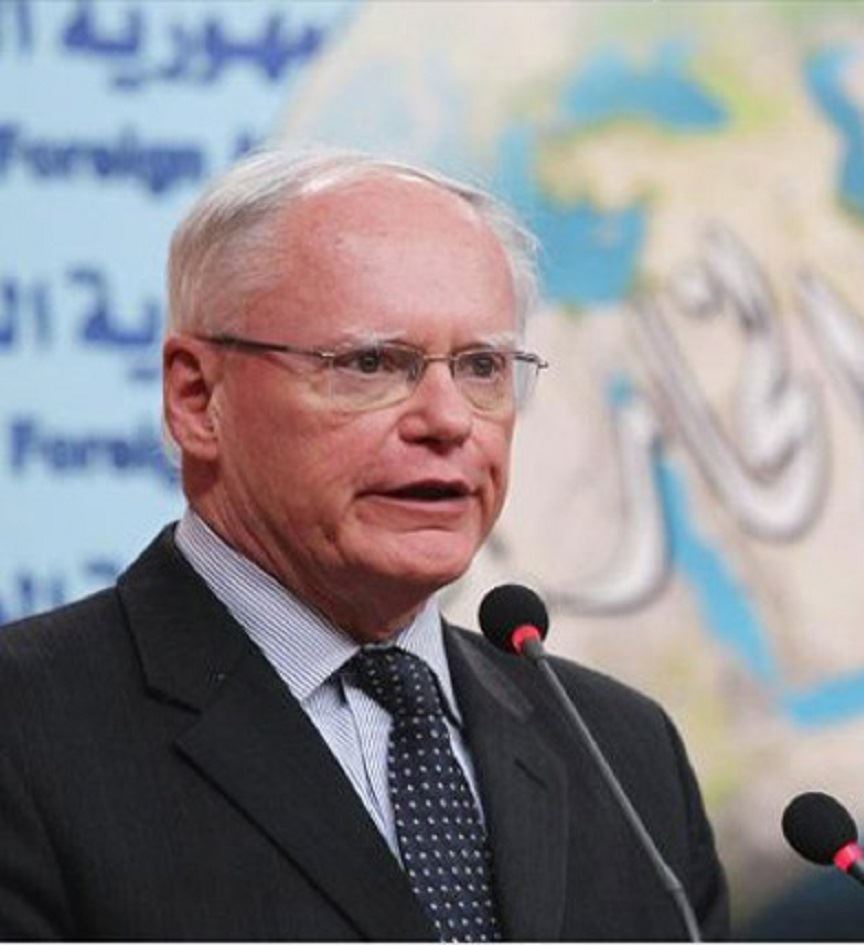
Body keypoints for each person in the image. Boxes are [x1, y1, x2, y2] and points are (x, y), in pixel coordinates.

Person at [0, 149, 728, 941]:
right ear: (197, 397)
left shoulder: (627, 759)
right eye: (372, 363)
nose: (448, 420)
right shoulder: (27, 733)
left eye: (482, 366)